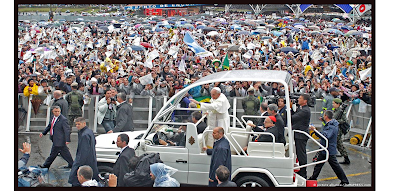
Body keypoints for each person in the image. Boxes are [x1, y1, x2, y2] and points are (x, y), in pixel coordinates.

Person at [309, 111, 349, 186]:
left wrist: (315, 130)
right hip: (325, 148)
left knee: (335, 166)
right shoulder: (332, 124)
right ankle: (313, 178)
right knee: (319, 164)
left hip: (328, 149)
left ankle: (344, 180)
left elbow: (326, 136)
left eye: (324, 115)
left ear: (326, 116)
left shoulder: (331, 126)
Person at [68, 117, 99, 187]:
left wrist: (78, 166)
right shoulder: (89, 131)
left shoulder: (84, 135)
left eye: (79, 124)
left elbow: (83, 152)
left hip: (84, 163)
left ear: (84, 123)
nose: (77, 126)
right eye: (76, 124)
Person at [291, 94, 311, 179]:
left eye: (300, 98)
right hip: (298, 134)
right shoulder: (301, 108)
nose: (298, 99)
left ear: (305, 101)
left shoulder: (305, 110)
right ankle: (302, 171)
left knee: (301, 154)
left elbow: (293, 118)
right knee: (299, 154)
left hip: (301, 135)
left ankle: (303, 173)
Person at [332, 98, 351, 164]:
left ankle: (346, 158)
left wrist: (335, 121)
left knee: (339, 144)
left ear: (338, 104)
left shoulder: (341, 111)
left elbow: (344, 120)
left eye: (334, 103)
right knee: (338, 144)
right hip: (335, 128)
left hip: (339, 129)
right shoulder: (336, 110)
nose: (333, 104)